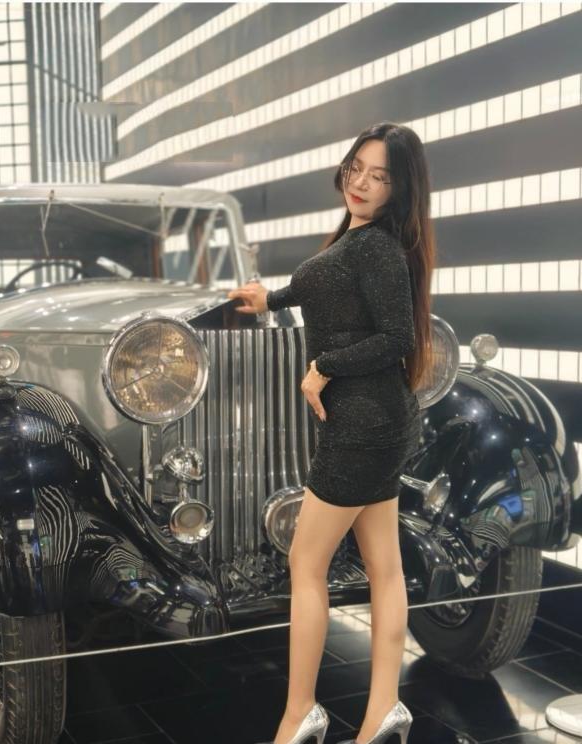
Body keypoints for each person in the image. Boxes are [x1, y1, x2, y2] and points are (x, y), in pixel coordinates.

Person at [227, 122, 435, 744]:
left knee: (306, 561)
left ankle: (300, 713)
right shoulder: (358, 239)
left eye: (380, 177)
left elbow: (396, 338)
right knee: (384, 569)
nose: (361, 183)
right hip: (378, 421)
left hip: (363, 426)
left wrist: (323, 368)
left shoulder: (376, 248)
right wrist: (271, 299)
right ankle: (383, 711)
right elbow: (324, 290)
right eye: (356, 168)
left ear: (400, 190)